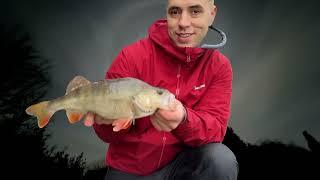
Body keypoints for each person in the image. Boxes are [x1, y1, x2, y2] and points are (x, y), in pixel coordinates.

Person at [91, 0, 239, 179]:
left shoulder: (219, 66)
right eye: (175, 12)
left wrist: (184, 119)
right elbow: (106, 134)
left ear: (212, 14)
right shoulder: (130, 56)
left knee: (220, 160)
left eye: (195, 11)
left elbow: (215, 130)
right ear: (167, 14)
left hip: (181, 166)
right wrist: (105, 120)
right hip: (128, 168)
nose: (183, 23)